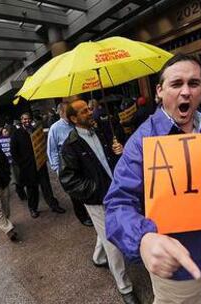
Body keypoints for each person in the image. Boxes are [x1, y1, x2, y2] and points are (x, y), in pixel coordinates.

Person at [104, 54, 201, 304]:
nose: (186, 92)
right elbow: (117, 203)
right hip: (179, 268)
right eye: (176, 84)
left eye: (194, 83)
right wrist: (142, 239)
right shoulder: (142, 142)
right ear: (159, 91)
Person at [59, 99, 140, 304]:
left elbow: (113, 160)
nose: (90, 112)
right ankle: (125, 287)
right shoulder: (70, 145)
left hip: (117, 192)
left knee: (103, 233)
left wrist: (118, 150)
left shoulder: (103, 130)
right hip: (98, 200)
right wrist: (96, 191)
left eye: (89, 108)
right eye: (84, 111)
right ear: (73, 118)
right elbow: (69, 180)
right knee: (112, 241)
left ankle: (98, 258)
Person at [11, 113, 66, 218]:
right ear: (21, 120)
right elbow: (13, 152)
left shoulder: (35, 130)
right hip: (27, 167)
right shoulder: (16, 134)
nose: (27, 121)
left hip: (40, 164)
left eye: (28, 119)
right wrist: (22, 164)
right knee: (32, 189)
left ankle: (54, 205)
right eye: (24, 119)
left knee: (46, 186)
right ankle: (33, 209)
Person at [47, 100, 92, 226]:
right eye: (67, 112)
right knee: (76, 193)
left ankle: (92, 211)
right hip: (68, 165)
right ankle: (83, 217)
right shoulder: (55, 129)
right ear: (61, 113)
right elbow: (52, 150)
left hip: (83, 161)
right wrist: (57, 169)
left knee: (88, 187)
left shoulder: (77, 122)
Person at [0, 126, 27, 201]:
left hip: (15, 162)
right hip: (8, 164)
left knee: (19, 178)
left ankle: (21, 191)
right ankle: (21, 193)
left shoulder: (12, 139)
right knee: (16, 180)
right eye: (4, 131)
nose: (6, 133)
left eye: (7, 131)